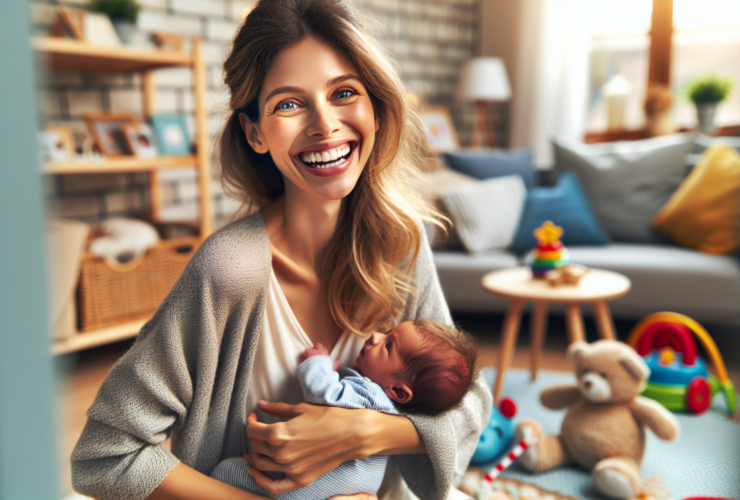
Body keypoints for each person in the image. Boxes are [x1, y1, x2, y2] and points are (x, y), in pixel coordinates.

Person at [71, 0, 492, 499]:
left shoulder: (402, 243)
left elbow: (468, 399)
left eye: (344, 93)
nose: (324, 125)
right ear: (255, 133)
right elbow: (104, 455)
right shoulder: (229, 271)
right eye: (289, 104)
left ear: (375, 109)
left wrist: (365, 432)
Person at [211, 320, 479, 499]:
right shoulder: (391, 410)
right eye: (387, 332)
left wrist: (320, 363)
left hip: (311, 488)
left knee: (226, 472)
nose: (375, 336)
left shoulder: (373, 398)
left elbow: (324, 392)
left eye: (388, 345)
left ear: (398, 391)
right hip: (349, 489)